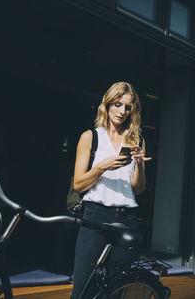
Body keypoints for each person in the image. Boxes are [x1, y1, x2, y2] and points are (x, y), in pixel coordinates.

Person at [71, 82, 151, 298]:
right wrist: (101, 167)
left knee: (117, 289)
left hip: (127, 221)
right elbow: (79, 184)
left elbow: (139, 189)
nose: (122, 111)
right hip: (95, 217)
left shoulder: (136, 140)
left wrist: (140, 164)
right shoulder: (91, 137)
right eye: (117, 105)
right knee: (83, 290)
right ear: (107, 105)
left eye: (127, 107)